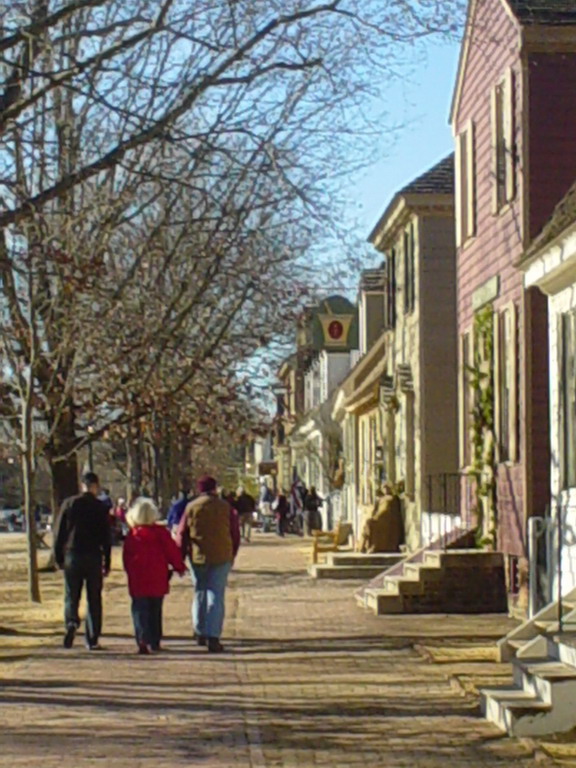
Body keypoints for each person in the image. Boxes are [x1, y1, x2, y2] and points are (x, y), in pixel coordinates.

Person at [176, 475, 239, 653]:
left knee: (200, 592)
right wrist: (232, 553)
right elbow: (235, 533)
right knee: (216, 595)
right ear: (214, 489)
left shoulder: (191, 507)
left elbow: (182, 533)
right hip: (221, 555)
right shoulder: (225, 507)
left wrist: (179, 558)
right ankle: (213, 636)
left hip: (198, 556)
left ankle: (199, 630)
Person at [54, 472, 112, 651]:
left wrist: (58, 557)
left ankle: (71, 622)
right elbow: (106, 537)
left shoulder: (69, 504)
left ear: (82, 485)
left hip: (73, 554)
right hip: (93, 555)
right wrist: (107, 560)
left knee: (72, 594)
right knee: (94, 597)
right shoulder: (100, 507)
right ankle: (92, 638)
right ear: (96, 486)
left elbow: (59, 533)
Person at [123, 497, 186, 654]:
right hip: (158, 575)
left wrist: (129, 570)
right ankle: (155, 640)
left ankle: (142, 638)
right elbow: (172, 551)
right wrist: (179, 567)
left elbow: (126, 556)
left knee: (139, 609)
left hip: (138, 576)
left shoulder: (133, 534)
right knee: (155, 609)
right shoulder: (161, 533)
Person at [359, 483, 404, 554]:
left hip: (388, 520)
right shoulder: (380, 499)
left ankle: (373, 546)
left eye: (387, 488)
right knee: (368, 523)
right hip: (379, 519)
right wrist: (374, 516)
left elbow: (392, 512)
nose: (385, 489)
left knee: (372, 524)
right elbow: (375, 510)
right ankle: (363, 546)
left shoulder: (393, 498)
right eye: (384, 488)